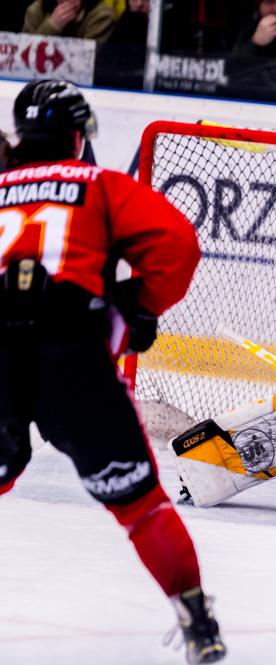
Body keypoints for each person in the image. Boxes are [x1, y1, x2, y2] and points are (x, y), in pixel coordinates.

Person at [0, 80, 225, 663]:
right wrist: (141, 306)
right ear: (78, 136)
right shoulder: (99, 184)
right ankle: (198, 621)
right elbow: (177, 245)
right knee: (139, 505)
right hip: (69, 357)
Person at [22, 0, 117, 41]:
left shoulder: (102, 16)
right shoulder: (37, 9)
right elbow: (24, 56)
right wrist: (52, 25)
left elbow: (86, 62)